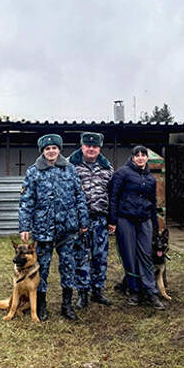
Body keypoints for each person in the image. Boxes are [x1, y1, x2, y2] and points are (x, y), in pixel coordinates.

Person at [19, 134, 89, 321]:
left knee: (68, 265)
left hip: (67, 228)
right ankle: (41, 305)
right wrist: (24, 226)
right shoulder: (33, 172)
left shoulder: (70, 169)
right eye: (47, 149)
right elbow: (26, 201)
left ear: (59, 150)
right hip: (44, 229)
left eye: (54, 148)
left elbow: (79, 197)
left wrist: (83, 222)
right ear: (43, 151)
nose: (51, 151)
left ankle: (67, 304)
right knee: (43, 267)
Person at [109, 145, 165, 310]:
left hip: (144, 219)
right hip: (125, 218)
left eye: (143, 155)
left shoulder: (150, 179)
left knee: (146, 253)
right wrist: (112, 220)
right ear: (132, 158)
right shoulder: (122, 173)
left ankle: (150, 290)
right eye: (137, 155)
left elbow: (153, 202)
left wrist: (155, 224)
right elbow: (114, 196)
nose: (140, 158)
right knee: (129, 254)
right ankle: (134, 290)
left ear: (147, 158)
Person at [68, 132, 114, 309]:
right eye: (88, 145)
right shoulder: (71, 166)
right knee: (81, 256)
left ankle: (98, 290)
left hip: (101, 219)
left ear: (99, 148)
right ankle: (82, 292)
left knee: (100, 256)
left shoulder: (107, 168)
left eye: (94, 146)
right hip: (80, 221)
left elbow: (113, 194)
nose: (91, 149)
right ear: (82, 146)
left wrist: (112, 219)